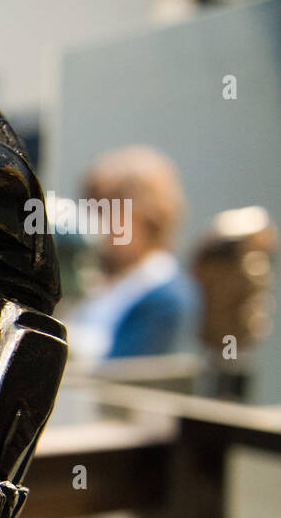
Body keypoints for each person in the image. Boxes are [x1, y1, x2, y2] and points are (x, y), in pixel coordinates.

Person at [67, 145, 200, 363]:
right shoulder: (94, 275)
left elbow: (123, 376)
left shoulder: (166, 295)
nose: (95, 224)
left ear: (148, 216)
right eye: (91, 209)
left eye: (107, 211)